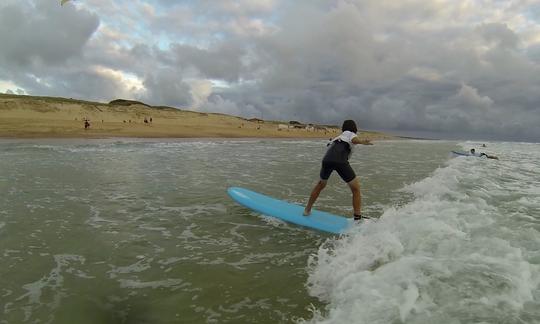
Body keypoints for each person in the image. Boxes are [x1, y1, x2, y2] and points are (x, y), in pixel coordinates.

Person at [304, 120, 373, 220]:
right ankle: (357, 217)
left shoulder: (339, 137)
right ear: (354, 128)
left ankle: (307, 210)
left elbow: (330, 147)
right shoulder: (350, 134)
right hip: (340, 160)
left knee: (321, 185)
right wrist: (362, 142)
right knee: (356, 189)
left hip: (327, 160)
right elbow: (354, 140)